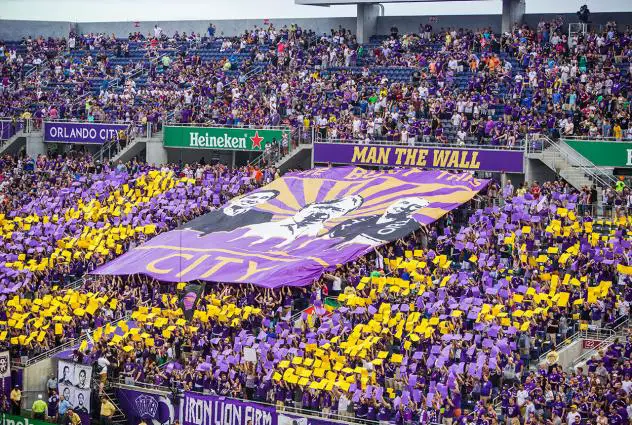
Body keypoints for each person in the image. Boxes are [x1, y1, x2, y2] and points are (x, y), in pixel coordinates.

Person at [183, 190, 279, 236]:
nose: (253, 200)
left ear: (263, 202)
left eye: (262, 198)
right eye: (254, 196)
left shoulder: (260, 217)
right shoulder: (217, 211)